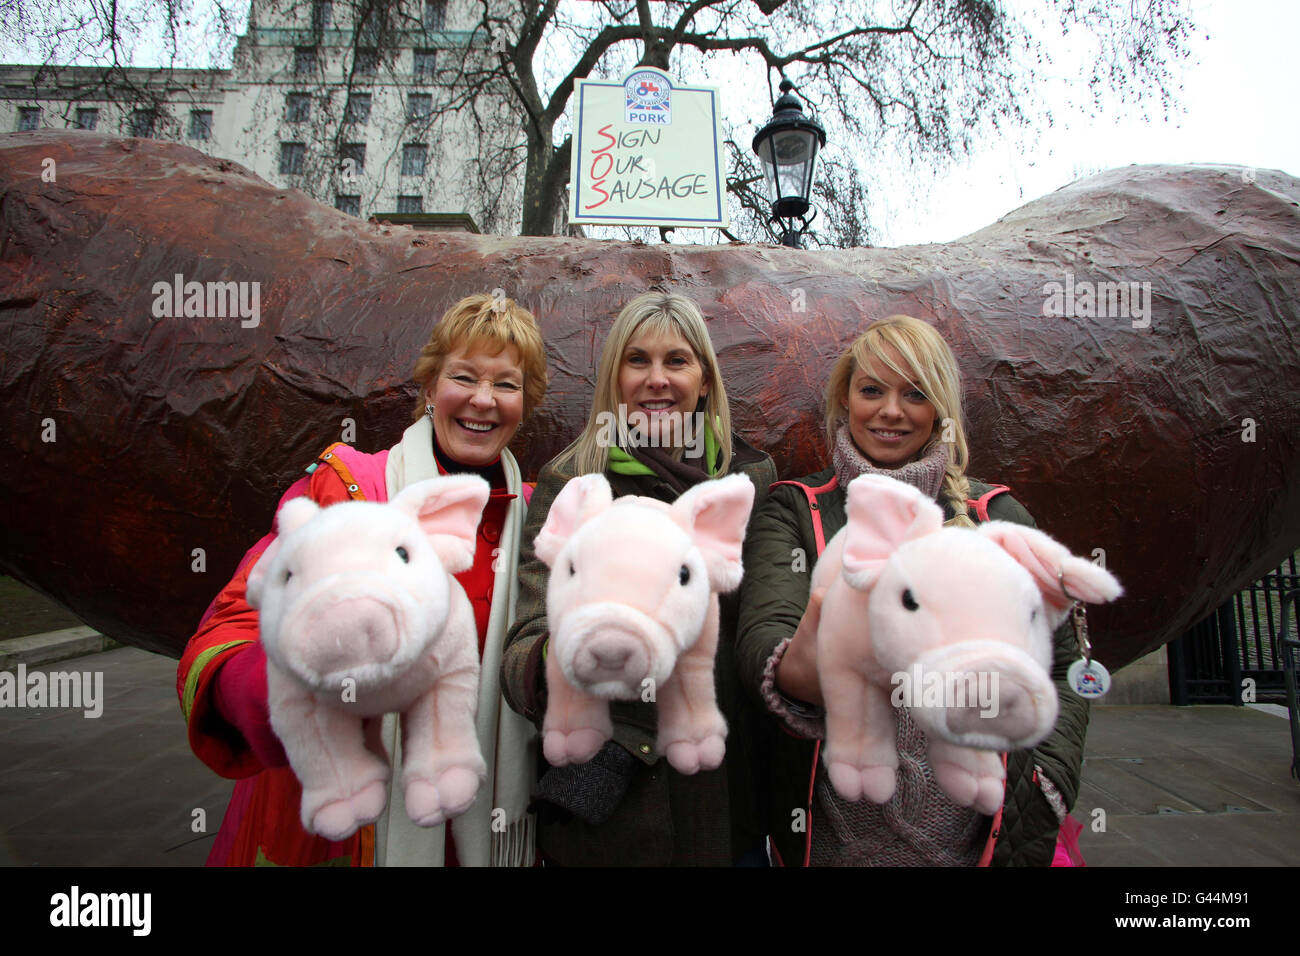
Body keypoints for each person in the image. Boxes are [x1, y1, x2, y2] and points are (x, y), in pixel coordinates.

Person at [177, 293, 548, 866]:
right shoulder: (348, 486)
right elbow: (229, 629)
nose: (482, 400)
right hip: (347, 833)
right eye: (464, 377)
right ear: (429, 387)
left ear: (526, 402)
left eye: (506, 384)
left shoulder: (534, 520)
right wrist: (278, 692)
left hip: (484, 829)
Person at [735, 314, 1089, 866]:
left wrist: (1045, 786)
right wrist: (818, 641)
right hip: (830, 845)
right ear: (845, 400)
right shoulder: (795, 510)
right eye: (872, 390)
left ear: (940, 408)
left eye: (914, 393)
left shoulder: (994, 516)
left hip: (976, 847)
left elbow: (1067, 666)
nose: (891, 411)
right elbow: (764, 644)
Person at [500, 291, 776, 866]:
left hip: (730, 808)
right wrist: (578, 649)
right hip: (613, 823)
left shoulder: (749, 483)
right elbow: (520, 650)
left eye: (677, 361)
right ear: (614, 379)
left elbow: (768, 631)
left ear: (704, 381)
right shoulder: (574, 482)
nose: (657, 379)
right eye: (637, 360)